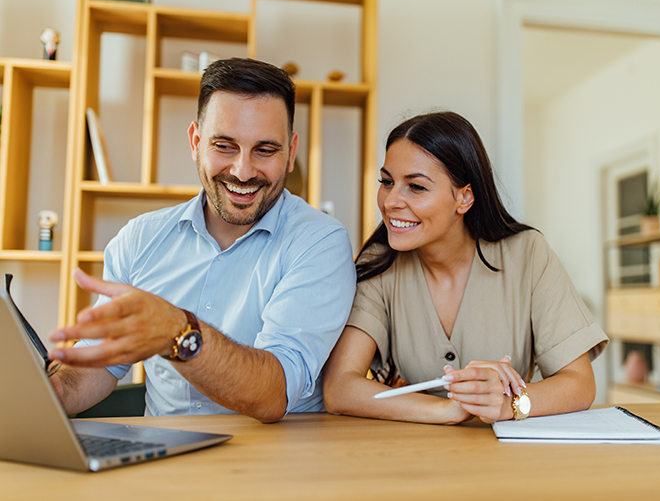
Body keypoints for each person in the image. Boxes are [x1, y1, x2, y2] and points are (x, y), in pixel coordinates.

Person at [48, 58, 356, 423]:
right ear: (196, 142)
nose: (243, 171)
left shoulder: (319, 242)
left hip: (275, 467)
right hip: (165, 460)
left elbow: (274, 394)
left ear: (290, 151)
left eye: (265, 150)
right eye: (224, 146)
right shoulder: (139, 239)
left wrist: (178, 332)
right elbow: (101, 365)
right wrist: (54, 390)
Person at [323, 111, 607, 424]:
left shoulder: (528, 254)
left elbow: (580, 383)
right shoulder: (379, 263)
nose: (390, 201)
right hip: (413, 458)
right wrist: (447, 410)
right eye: (387, 182)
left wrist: (510, 404)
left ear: (464, 197)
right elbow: (339, 387)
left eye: (415, 187)